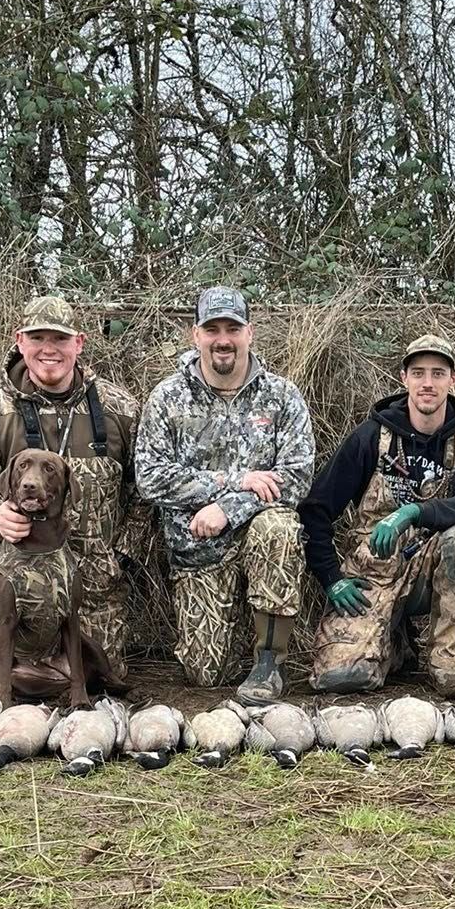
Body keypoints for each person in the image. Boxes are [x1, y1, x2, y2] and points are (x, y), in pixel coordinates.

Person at [0, 295, 137, 700]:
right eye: (37, 337)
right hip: (18, 563)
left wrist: (123, 554)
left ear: (78, 344)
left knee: (102, 677)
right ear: (20, 341)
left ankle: (30, 677)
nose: (49, 348)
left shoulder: (119, 408)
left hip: (91, 572)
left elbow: (143, 489)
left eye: (60, 338)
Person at [134, 286, 314, 700]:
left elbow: (297, 476)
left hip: (257, 536)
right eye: (211, 328)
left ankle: (268, 663)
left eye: (232, 328)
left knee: (278, 528)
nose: (222, 339)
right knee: (205, 676)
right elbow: (150, 477)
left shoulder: (281, 395)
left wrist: (229, 508)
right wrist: (235, 481)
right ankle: (231, 641)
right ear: (194, 335)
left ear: (249, 333)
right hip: (198, 548)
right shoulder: (167, 397)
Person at [300, 335, 455, 696]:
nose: (427, 383)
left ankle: (447, 664)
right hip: (373, 572)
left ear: (454, 380)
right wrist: (331, 578)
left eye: (438, 373)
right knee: (342, 680)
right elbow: (315, 509)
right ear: (404, 377)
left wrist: (412, 511)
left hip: (431, 567)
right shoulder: (370, 437)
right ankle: (394, 642)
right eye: (418, 372)